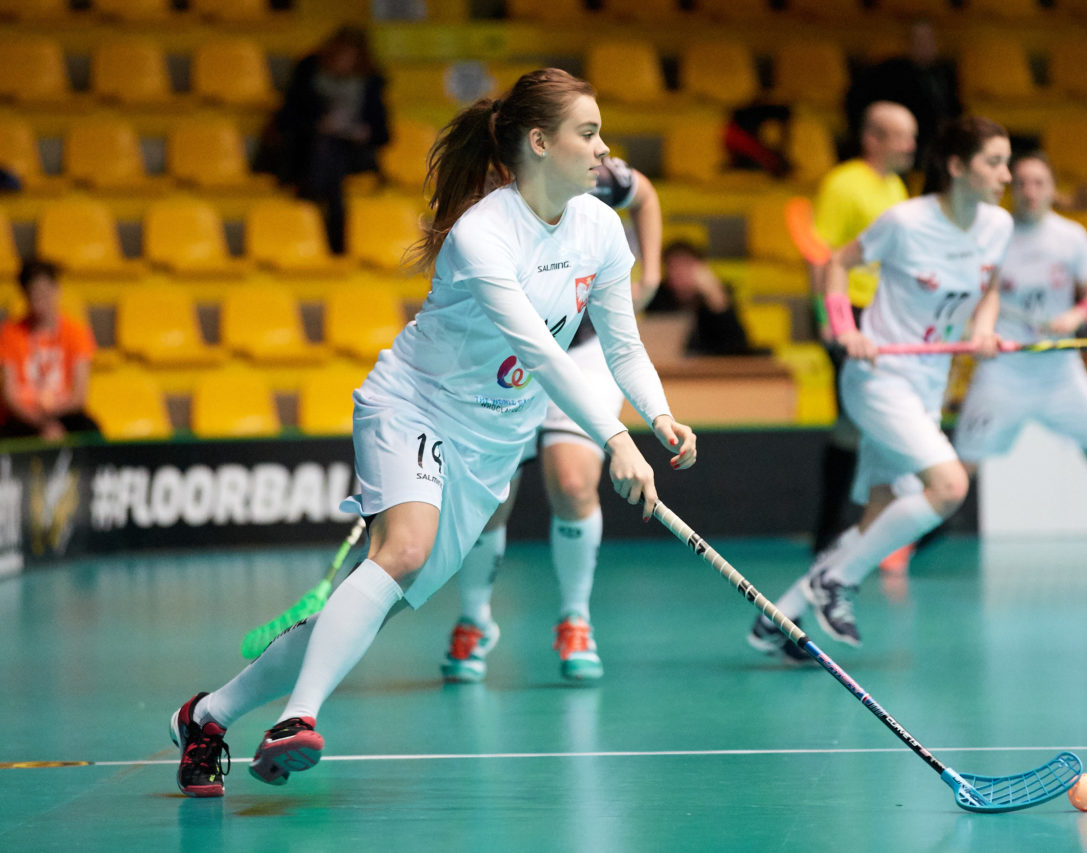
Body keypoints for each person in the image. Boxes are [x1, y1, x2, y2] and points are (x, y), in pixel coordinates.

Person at [169, 69, 697, 798]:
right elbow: (542, 354)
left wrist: (659, 412)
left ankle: (208, 714)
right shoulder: (484, 233)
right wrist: (614, 436)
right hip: (416, 405)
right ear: (539, 143)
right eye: (588, 132)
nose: (604, 149)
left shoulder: (600, 228)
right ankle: (297, 720)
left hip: (491, 443)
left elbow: (622, 343)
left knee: (375, 595)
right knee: (405, 548)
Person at [750, 116, 1012, 656]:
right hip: (877, 379)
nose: (1005, 175)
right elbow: (837, 264)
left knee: (880, 514)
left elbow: (989, 288)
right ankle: (835, 582)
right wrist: (846, 329)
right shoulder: (906, 222)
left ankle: (781, 619)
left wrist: (984, 328)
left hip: (927, 384)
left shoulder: (997, 227)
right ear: (958, 167)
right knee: (948, 487)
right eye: (994, 162)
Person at [440, 155, 665, 684]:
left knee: (571, 480)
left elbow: (646, 196)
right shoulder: (477, 201)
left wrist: (649, 275)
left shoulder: (586, 173)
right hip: (503, 359)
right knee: (492, 497)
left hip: (583, 351)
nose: (596, 147)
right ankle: (474, 619)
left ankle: (575, 620)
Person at [953, 153, 1087, 571]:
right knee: (960, 471)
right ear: (1011, 190)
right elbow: (976, 297)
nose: (1030, 191)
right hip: (1004, 371)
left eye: (1038, 183)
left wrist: (1074, 316)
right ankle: (901, 543)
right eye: (1022, 184)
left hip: (1060, 371)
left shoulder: (1071, 238)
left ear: (1052, 190)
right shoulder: (993, 236)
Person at [807, 102, 917, 561]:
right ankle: (837, 533)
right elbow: (820, 253)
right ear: (873, 139)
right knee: (860, 423)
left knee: (855, 428)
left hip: (886, 315)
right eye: (900, 135)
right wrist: (830, 322)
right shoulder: (843, 184)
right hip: (848, 313)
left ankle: (860, 531)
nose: (910, 145)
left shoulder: (897, 187)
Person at [271, 26, 390, 254]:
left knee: (332, 152)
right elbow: (287, 119)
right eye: (340, 56)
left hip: (354, 153)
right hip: (307, 150)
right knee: (326, 146)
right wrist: (318, 124)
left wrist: (361, 132)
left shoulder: (371, 84)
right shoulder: (307, 75)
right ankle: (333, 230)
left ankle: (315, 202)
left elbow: (382, 134)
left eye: (350, 57)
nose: (343, 62)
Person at [0, 259, 98, 441]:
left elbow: (79, 397)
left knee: (91, 430)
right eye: (34, 294)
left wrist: (51, 420)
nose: (40, 300)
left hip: (64, 414)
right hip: (24, 418)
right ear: (25, 296)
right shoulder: (10, 334)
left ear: (56, 290)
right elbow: (9, 396)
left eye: (44, 292)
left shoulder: (77, 333)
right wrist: (41, 423)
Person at [843, 20, 961, 169]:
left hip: (933, 145)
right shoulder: (891, 72)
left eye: (929, 40)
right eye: (919, 40)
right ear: (909, 44)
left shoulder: (945, 73)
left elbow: (954, 109)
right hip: (904, 144)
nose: (925, 45)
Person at [644, 241, 761, 356]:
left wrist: (715, 296)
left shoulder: (718, 295)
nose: (678, 273)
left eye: (685, 266)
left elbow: (739, 345)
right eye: (672, 267)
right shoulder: (657, 297)